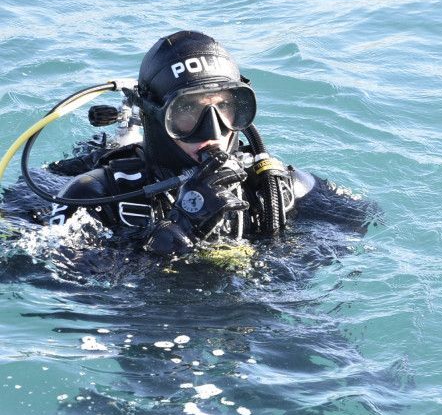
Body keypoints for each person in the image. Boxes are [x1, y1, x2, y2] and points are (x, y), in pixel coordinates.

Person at [47, 31, 338, 255]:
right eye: (187, 110)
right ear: (154, 114)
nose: (214, 131)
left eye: (223, 106)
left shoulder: (276, 187)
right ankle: (125, 132)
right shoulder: (94, 197)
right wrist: (182, 227)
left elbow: (353, 242)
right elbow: (61, 286)